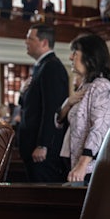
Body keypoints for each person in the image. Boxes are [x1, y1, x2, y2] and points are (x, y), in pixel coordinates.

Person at [54, 34, 110, 183]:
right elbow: (58, 123)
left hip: (88, 169)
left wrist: (82, 164)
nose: (70, 57)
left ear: (90, 57)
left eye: (75, 52)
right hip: (71, 161)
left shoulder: (101, 86)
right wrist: (67, 103)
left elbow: (100, 129)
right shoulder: (86, 86)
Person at [19, 24, 69, 182]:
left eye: (30, 38)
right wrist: (23, 92)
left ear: (44, 42)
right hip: (32, 146)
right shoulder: (41, 67)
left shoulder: (51, 67)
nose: (26, 42)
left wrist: (43, 144)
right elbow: (31, 105)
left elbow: (52, 109)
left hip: (42, 152)